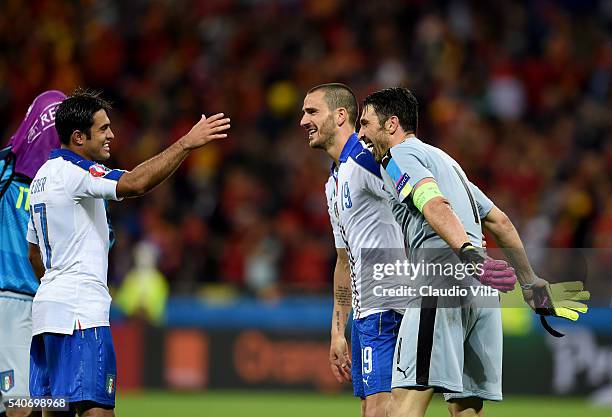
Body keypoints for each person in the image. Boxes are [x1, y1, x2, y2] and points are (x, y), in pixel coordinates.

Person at [358, 87, 588, 417]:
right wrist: (531, 284)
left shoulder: (396, 159)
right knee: (466, 408)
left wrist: (468, 252)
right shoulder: (448, 163)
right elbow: (500, 221)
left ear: (391, 124)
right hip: (481, 294)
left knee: (405, 400)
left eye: (366, 123)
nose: (361, 131)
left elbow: (433, 202)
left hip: (441, 283)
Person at [300, 84, 517, 417]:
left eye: (311, 111)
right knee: (454, 405)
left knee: (393, 410)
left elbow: (429, 199)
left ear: (340, 115)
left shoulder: (373, 159)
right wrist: (337, 330)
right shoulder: (334, 181)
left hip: (398, 302)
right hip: (368, 310)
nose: (303, 121)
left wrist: (466, 248)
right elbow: (344, 260)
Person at [26, 88, 230, 417]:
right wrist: (186, 143)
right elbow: (135, 183)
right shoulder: (76, 173)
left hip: (47, 313)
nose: (111, 135)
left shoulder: (40, 179)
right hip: (81, 314)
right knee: (98, 410)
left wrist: (55, 287)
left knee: (52, 409)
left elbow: (34, 253)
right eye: (103, 128)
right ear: (78, 137)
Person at [0, 90, 66, 417]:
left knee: (47, 402)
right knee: (20, 404)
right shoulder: (5, 171)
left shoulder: (69, 183)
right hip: (12, 297)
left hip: (48, 303)